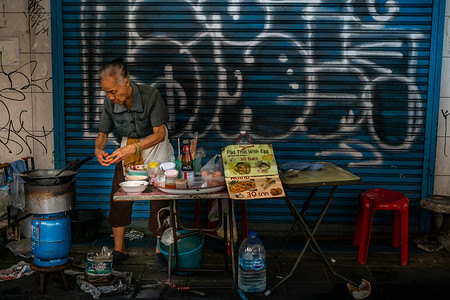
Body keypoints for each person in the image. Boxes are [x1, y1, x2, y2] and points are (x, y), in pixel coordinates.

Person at [94, 57, 174, 270]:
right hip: (128, 148)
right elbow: (102, 133)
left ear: (126, 83)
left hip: (156, 147)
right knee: (118, 197)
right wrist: (98, 149)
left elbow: (159, 134)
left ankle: (160, 250)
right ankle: (119, 249)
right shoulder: (110, 101)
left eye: (114, 92)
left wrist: (134, 147)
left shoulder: (150, 96)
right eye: (107, 93)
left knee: (160, 200)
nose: (111, 97)